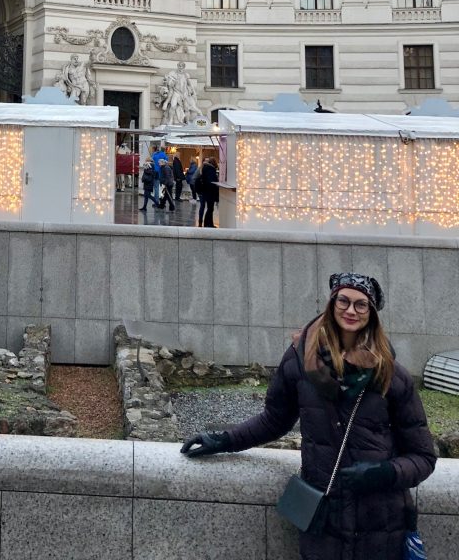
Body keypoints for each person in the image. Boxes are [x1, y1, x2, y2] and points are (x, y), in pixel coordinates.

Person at [181, 272, 436, 560]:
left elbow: (423, 456)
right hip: (324, 519)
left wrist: (384, 472)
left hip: (380, 523)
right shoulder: (299, 361)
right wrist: (223, 440)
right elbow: (274, 420)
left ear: (372, 313)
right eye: (343, 301)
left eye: (361, 305)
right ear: (331, 303)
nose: (350, 310)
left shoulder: (391, 374)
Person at [194, 156, 218, 228]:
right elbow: (211, 181)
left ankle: (207, 223)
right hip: (209, 192)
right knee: (209, 208)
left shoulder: (204, 168)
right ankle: (207, 223)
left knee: (208, 208)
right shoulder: (210, 169)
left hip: (204, 191)